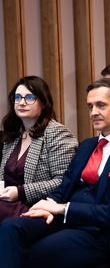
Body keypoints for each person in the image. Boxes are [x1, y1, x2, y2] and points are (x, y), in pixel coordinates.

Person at [0, 78, 110, 268]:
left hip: (103, 231)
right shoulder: (87, 145)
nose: (93, 112)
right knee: (11, 228)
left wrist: (62, 208)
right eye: (90, 106)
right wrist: (47, 206)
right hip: (67, 218)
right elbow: (64, 187)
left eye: (101, 105)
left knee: (36, 253)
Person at [0, 76, 78, 221]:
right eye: (18, 97)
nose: (22, 102)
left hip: (40, 208)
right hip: (7, 205)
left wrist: (21, 192)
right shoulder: (13, 134)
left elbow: (63, 181)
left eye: (29, 97)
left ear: (43, 102)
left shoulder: (57, 133)